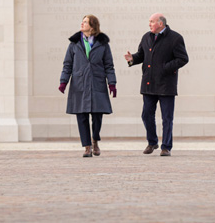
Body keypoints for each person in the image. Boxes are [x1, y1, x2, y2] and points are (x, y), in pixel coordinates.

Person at [124, 13, 189, 157]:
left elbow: (183, 58)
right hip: (148, 84)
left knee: (167, 118)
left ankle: (166, 147)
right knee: (146, 115)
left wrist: (165, 68)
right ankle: (152, 142)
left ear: (161, 23)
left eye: (152, 22)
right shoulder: (146, 37)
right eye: (149, 22)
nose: (149, 24)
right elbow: (141, 55)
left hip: (166, 85)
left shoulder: (175, 38)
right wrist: (132, 59)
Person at [59, 14, 117, 157]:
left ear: (92, 26)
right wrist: (63, 81)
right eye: (82, 21)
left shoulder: (103, 44)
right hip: (79, 84)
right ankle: (87, 147)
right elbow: (67, 64)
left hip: (96, 83)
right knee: (82, 116)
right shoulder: (74, 44)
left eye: (85, 22)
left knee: (97, 116)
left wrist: (112, 83)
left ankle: (95, 140)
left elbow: (109, 65)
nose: (82, 24)